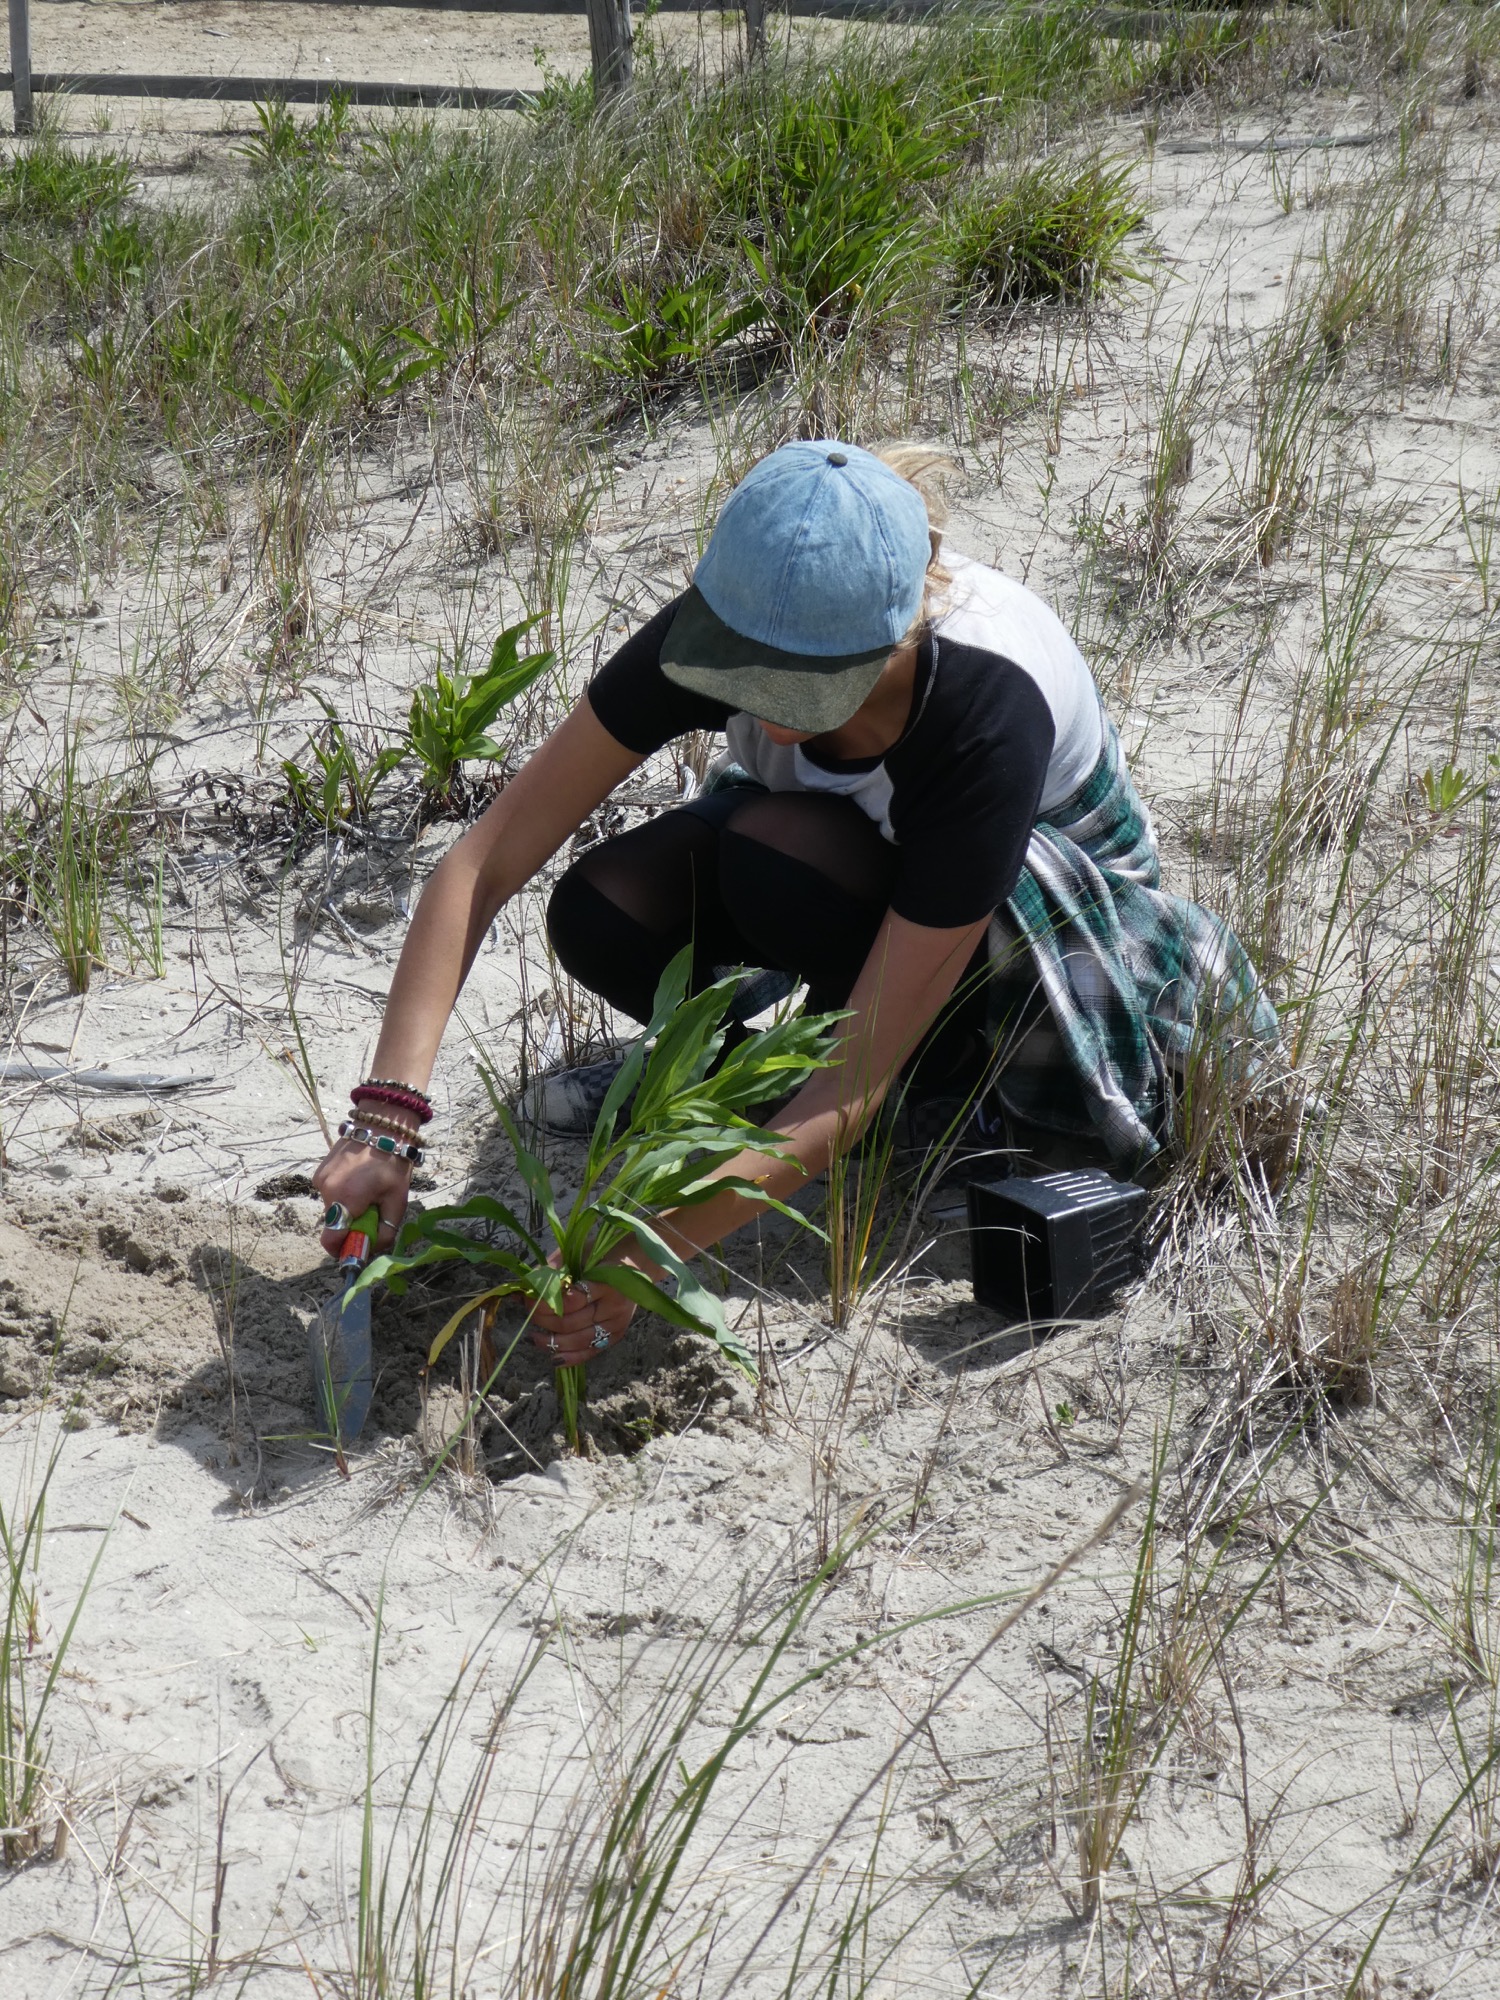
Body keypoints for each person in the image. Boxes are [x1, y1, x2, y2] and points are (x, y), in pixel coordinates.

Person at [312, 441, 1275, 1369]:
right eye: (744, 675)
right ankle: (733, 1092)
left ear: (897, 638)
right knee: (603, 911)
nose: (766, 712)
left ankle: (946, 1085)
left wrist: (651, 1245)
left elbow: (844, 1088)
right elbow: (482, 864)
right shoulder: (731, 618)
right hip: (829, 856)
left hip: (1028, 923)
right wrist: (384, 1123)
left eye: (804, 690)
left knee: (781, 864)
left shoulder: (986, 708)